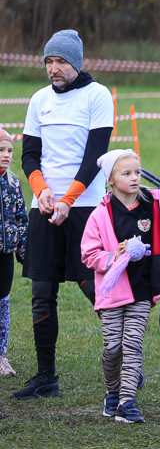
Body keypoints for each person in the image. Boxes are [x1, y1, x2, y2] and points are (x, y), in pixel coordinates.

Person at [14, 30, 113, 400]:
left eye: (61, 62)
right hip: (46, 206)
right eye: (49, 62)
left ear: (77, 63)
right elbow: (29, 156)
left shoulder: (97, 95)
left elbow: (96, 157)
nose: (54, 69)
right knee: (42, 292)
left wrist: (68, 200)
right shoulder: (39, 100)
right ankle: (46, 377)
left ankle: (127, 368)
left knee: (98, 291)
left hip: (84, 207)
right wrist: (41, 192)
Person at [81, 149, 160, 424]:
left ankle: (127, 402)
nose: (134, 178)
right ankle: (112, 393)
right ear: (110, 180)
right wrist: (115, 256)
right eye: (126, 173)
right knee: (113, 348)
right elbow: (89, 254)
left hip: (141, 292)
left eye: (137, 172)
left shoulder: (151, 206)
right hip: (112, 293)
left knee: (133, 344)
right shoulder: (100, 215)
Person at [0, 129, 28, 380]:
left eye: (9, 150)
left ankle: (1, 356)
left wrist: (23, 250)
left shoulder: (13, 184)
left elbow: (22, 219)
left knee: (3, 303)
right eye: (1, 150)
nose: (7, 155)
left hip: (5, 255)